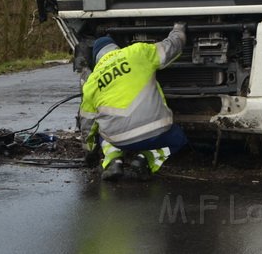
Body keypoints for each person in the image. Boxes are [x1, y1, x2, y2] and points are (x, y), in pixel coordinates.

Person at [79, 22, 187, 181]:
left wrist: (89, 151)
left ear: (97, 59)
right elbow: (171, 47)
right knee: (178, 139)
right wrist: (178, 30)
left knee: (101, 129)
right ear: (115, 48)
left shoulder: (91, 82)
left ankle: (114, 161)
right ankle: (144, 160)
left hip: (119, 140)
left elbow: (87, 124)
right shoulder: (137, 52)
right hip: (157, 133)